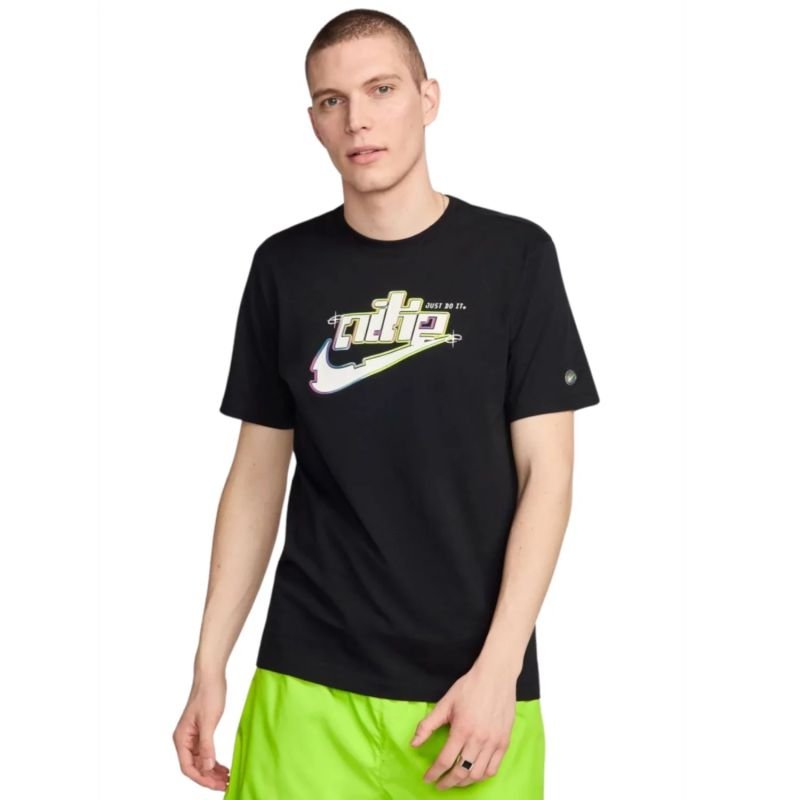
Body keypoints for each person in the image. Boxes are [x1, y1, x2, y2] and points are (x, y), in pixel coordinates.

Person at [172, 8, 600, 798]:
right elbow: (256, 477)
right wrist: (209, 662)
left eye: (381, 89)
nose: (357, 120)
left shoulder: (514, 258)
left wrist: (499, 670)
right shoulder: (284, 268)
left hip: (471, 697)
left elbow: (548, 476)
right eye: (332, 100)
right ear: (313, 120)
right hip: (306, 686)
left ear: (428, 98)